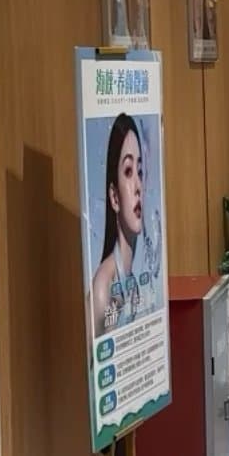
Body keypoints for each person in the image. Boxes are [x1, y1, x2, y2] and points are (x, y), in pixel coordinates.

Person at [90, 113, 144, 336]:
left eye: (140, 172)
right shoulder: (103, 286)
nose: (138, 186)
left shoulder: (135, 279)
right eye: (128, 172)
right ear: (114, 197)